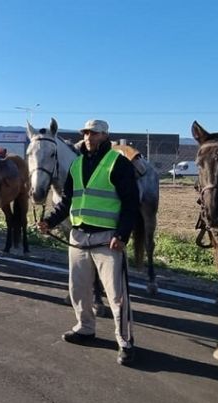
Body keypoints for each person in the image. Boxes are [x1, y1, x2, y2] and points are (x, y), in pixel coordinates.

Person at [36, 119, 140, 365]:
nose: (89, 137)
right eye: (86, 133)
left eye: (94, 133)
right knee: (78, 289)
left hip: (107, 239)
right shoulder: (77, 164)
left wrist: (122, 235)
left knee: (117, 295)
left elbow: (131, 204)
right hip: (79, 236)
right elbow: (68, 200)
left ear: (105, 135)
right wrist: (50, 221)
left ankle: (124, 340)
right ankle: (85, 328)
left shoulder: (118, 163)